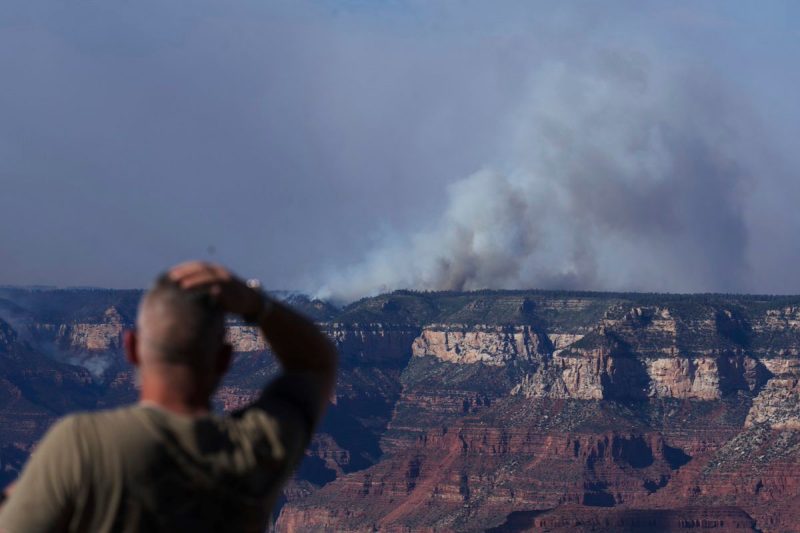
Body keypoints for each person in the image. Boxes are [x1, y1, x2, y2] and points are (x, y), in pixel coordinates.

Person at [0, 262, 337, 532]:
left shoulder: (80, 444)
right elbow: (316, 364)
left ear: (130, 347)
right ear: (225, 359)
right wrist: (256, 305)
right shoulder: (257, 447)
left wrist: (24, 494)